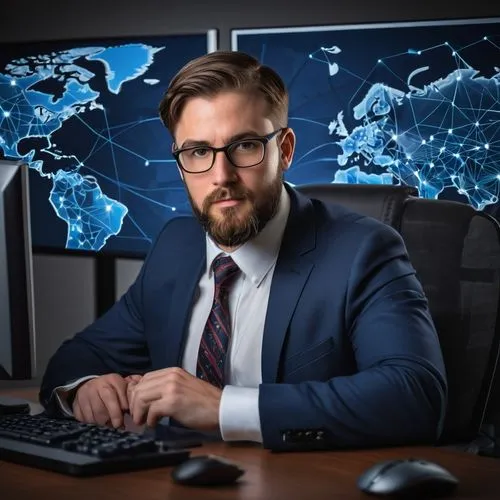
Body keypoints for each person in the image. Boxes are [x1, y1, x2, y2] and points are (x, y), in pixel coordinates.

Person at [40, 50, 447, 451]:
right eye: (198, 152)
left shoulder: (362, 251)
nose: (221, 176)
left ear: (283, 150)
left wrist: (223, 409)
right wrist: (86, 388)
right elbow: (79, 356)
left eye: (246, 146)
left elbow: (415, 394)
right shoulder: (176, 245)